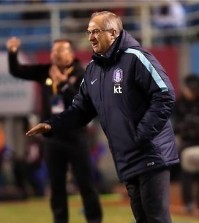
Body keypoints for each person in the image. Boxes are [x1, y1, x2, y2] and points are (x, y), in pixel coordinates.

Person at [26, 11, 179, 223]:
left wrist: (141, 135)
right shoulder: (92, 70)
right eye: (89, 32)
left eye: (96, 31)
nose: (90, 37)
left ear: (114, 33)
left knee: (156, 218)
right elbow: (80, 110)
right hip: (126, 157)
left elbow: (165, 95)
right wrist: (52, 125)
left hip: (150, 153)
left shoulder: (136, 58)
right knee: (143, 219)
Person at [6, 37, 102, 223]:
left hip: (76, 136)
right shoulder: (45, 71)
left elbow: (82, 103)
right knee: (56, 185)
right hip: (52, 137)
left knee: (85, 182)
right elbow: (17, 71)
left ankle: (94, 219)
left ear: (70, 53)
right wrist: (12, 53)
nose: (56, 54)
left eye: (61, 50)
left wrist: (64, 84)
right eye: (54, 51)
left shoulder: (82, 74)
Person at [173, 74, 199, 214]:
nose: (193, 93)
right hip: (186, 143)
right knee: (186, 169)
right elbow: (176, 128)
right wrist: (188, 125)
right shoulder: (179, 104)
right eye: (191, 89)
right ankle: (188, 202)